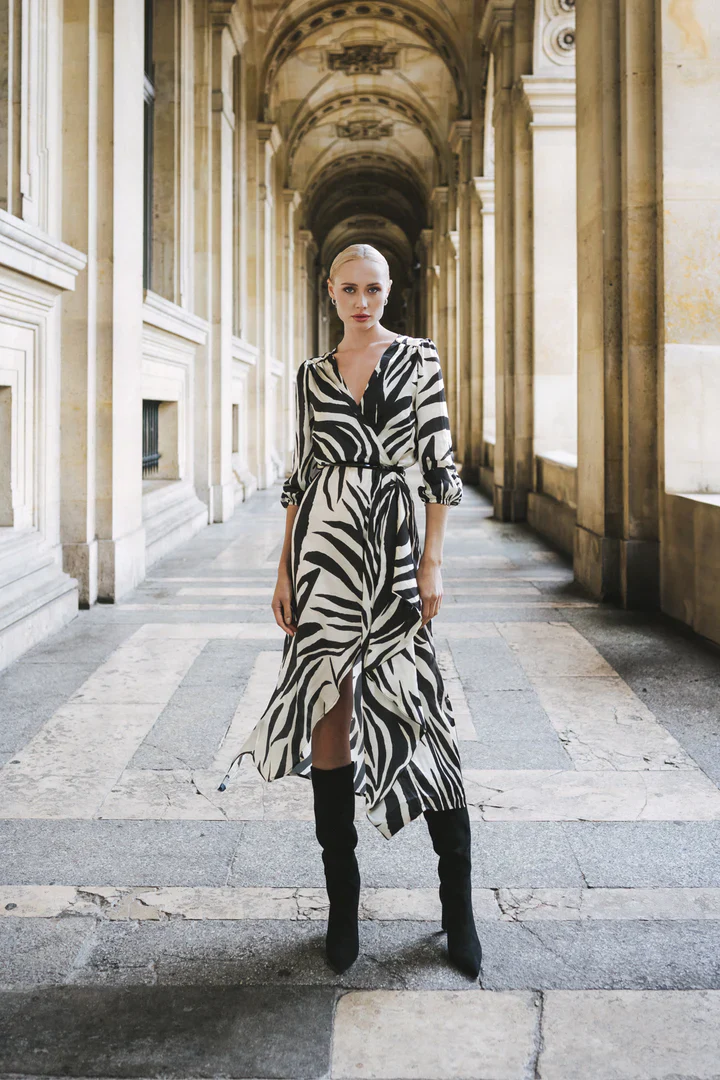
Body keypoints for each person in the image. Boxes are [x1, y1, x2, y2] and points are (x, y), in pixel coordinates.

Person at [219, 243, 482, 979]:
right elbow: (301, 474)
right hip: (323, 553)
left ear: (388, 291)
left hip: (394, 552)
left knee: (420, 709)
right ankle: (343, 903)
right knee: (328, 710)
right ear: (330, 292)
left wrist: (432, 562)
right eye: (349, 290)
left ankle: (457, 904)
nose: (362, 302)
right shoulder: (312, 375)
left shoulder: (420, 359)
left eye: (373, 289)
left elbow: (440, 465)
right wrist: (283, 568)